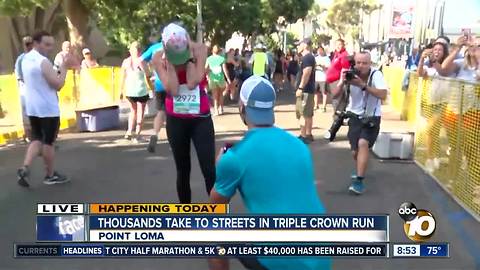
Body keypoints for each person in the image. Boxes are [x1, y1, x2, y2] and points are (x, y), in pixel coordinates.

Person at [208, 75, 331, 270]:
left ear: (242, 107)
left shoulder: (234, 157)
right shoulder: (299, 146)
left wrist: (220, 167)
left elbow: (215, 206)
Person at [152, 23, 215, 204]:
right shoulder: (158, 58)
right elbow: (172, 89)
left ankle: (218, 216)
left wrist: (189, 61)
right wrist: (171, 66)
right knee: (183, 169)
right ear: (164, 46)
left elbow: (193, 82)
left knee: (209, 169)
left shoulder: (200, 49)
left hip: (200, 118)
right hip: (176, 120)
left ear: (187, 40)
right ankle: (185, 214)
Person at [17, 30, 70, 187]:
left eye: (51, 45)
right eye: (46, 45)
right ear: (36, 43)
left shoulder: (24, 59)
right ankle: (50, 175)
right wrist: (64, 68)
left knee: (36, 139)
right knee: (48, 142)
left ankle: (25, 167)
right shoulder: (43, 62)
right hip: (48, 108)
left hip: (33, 107)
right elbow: (58, 84)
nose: (49, 48)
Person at [330, 51, 388, 194]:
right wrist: (343, 81)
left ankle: (359, 181)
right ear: (354, 63)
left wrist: (363, 85)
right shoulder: (347, 73)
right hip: (354, 116)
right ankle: (359, 169)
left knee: (363, 144)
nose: (361, 66)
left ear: (370, 64)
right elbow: (335, 95)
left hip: (371, 116)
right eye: (358, 63)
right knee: (355, 151)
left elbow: (383, 95)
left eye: (365, 63)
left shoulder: (376, 75)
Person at [417, 42, 450, 173]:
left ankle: (431, 158)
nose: (436, 51)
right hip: (429, 103)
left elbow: (444, 71)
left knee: (430, 129)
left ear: (444, 52)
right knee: (433, 132)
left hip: (443, 103)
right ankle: (434, 156)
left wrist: (435, 61)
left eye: (440, 50)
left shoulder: (447, 66)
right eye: (435, 49)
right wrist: (421, 59)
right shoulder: (428, 66)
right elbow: (420, 73)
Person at [120, 41, 154, 142]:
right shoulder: (142, 62)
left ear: (130, 51)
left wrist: (120, 91)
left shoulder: (125, 62)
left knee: (133, 111)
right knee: (141, 112)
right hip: (141, 90)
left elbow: (122, 78)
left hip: (130, 91)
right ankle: (138, 135)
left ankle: (129, 131)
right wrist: (152, 88)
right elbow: (148, 77)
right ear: (140, 51)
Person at [140, 41, 166, 153]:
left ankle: (155, 134)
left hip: (159, 85)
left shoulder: (154, 48)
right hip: (175, 84)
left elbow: (141, 60)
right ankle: (176, 139)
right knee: (175, 112)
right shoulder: (177, 46)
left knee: (160, 112)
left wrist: (148, 74)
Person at [295, 38, 316, 144]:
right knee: (307, 113)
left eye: (299, 45)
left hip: (306, 90)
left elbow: (307, 72)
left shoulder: (307, 57)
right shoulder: (308, 57)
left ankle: (304, 135)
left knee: (303, 113)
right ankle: (308, 134)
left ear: (305, 45)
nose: (297, 47)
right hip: (308, 89)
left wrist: (301, 87)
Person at [14, 36, 34, 141]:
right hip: (25, 90)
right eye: (26, 44)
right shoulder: (21, 59)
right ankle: (29, 136)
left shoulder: (37, 57)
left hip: (37, 90)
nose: (29, 46)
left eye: (30, 43)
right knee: (27, 113)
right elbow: (20, 77)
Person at [206, 45, 228, 115]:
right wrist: (228, 78)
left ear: (212, 51)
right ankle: (221, 108)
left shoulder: (209, 59)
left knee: (214, 95)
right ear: (219, 51)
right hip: (220, 78)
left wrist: (207, 74)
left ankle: (216, 110)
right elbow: (225, 70)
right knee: (221, 94)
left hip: (212, 78)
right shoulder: (222, 58)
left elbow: (206, 68)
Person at [314, 46, 331, 112]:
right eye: (318, 50)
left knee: (324, 92)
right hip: (316, 77)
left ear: (323, 51)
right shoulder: (315, 58)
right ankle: (316, 105)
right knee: (315, 92)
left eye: (321, 50)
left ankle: (324, 107)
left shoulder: (327, 59)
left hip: (323, 77)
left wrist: (322, 66)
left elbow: (329, 67)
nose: (320, 51)